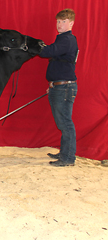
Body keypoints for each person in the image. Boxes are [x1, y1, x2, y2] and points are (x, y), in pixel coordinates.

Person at [39, 9, 79, 167]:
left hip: (64, 87)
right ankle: (65, 153)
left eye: (63, 21)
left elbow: (49, 51)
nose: (59, 24)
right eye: (58, 21)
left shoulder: (66, 39)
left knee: (65, 123)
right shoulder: (63, 39)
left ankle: (68, 158)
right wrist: (52, 84)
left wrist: (36, 47)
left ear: (71, 23)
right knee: (63, 122)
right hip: (60, 86)